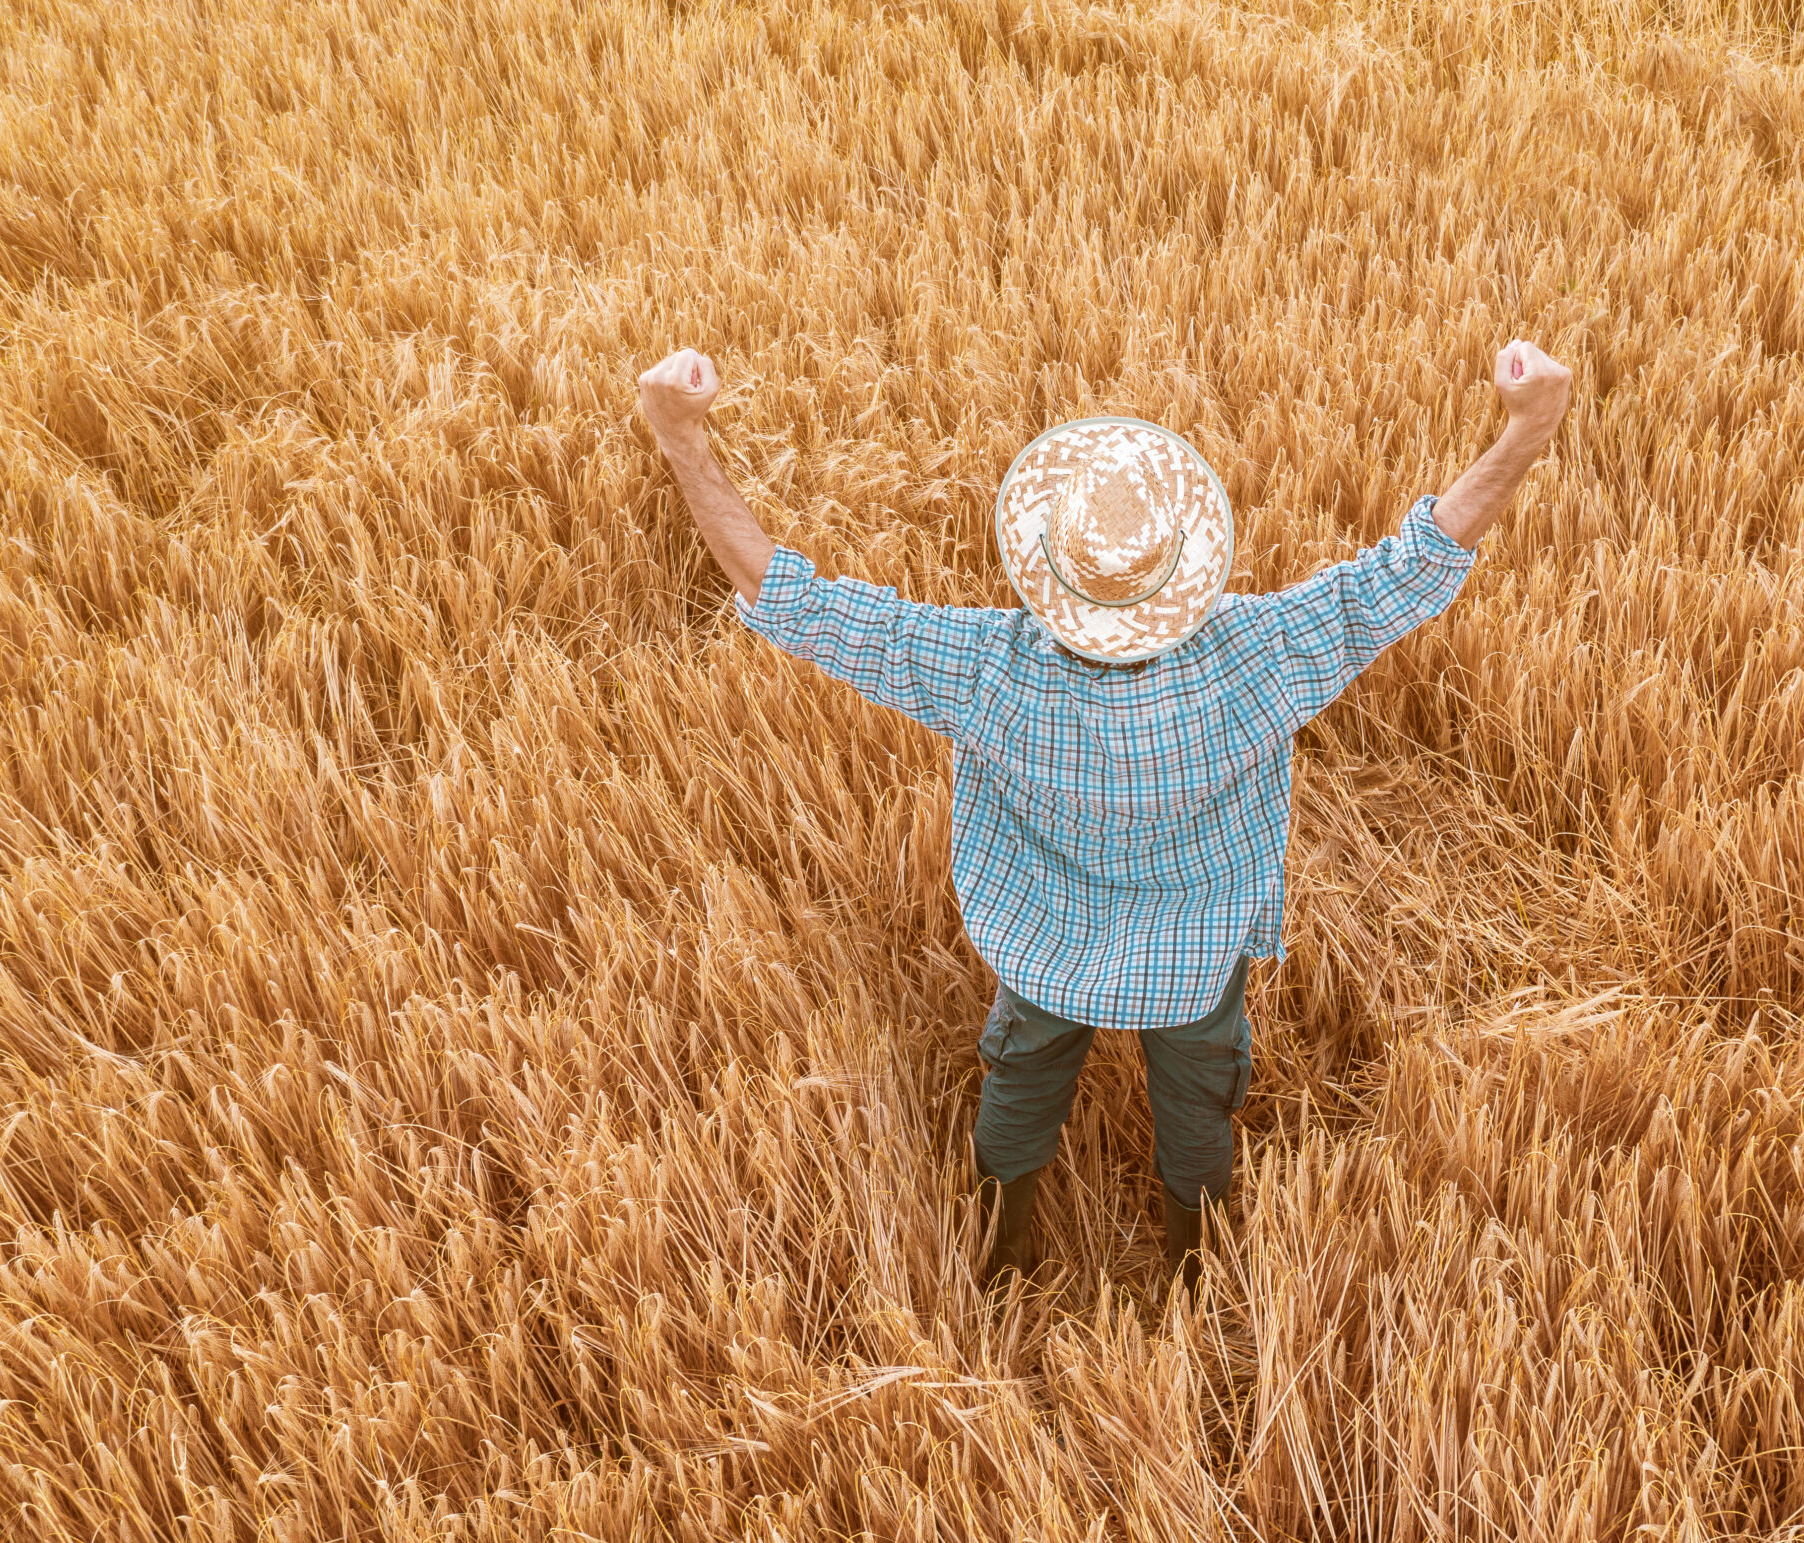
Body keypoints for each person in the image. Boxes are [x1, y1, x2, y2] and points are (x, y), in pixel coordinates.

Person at [637, 339, 1573, 1291]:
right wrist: (1526, 432)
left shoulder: (985, 667)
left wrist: (683, 442)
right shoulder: (1257, 654)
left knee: (1021, 1080)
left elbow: (789, 599)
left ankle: (1000, 1257)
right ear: (1184, 565)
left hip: (1042, 948)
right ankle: (1196, 1267)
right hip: (1196, 961)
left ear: (1048, 566)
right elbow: (1410, 568)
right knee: (1198, 1108)